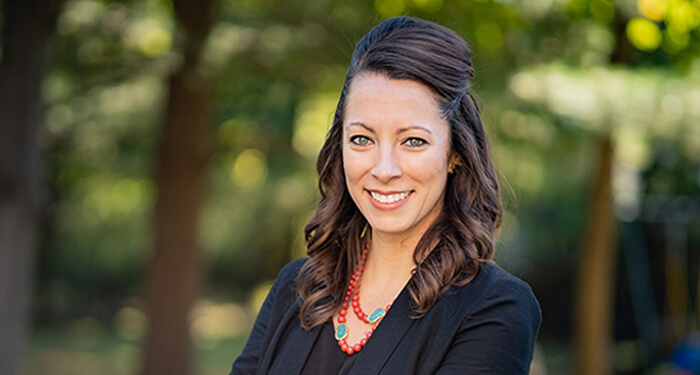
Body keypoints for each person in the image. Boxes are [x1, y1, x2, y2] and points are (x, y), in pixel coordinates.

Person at [230, 16, 541, 375]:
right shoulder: (296, 288)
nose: (384, 169)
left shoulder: (494, 309)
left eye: (413, 141)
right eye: (363, 139)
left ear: (455, 153)